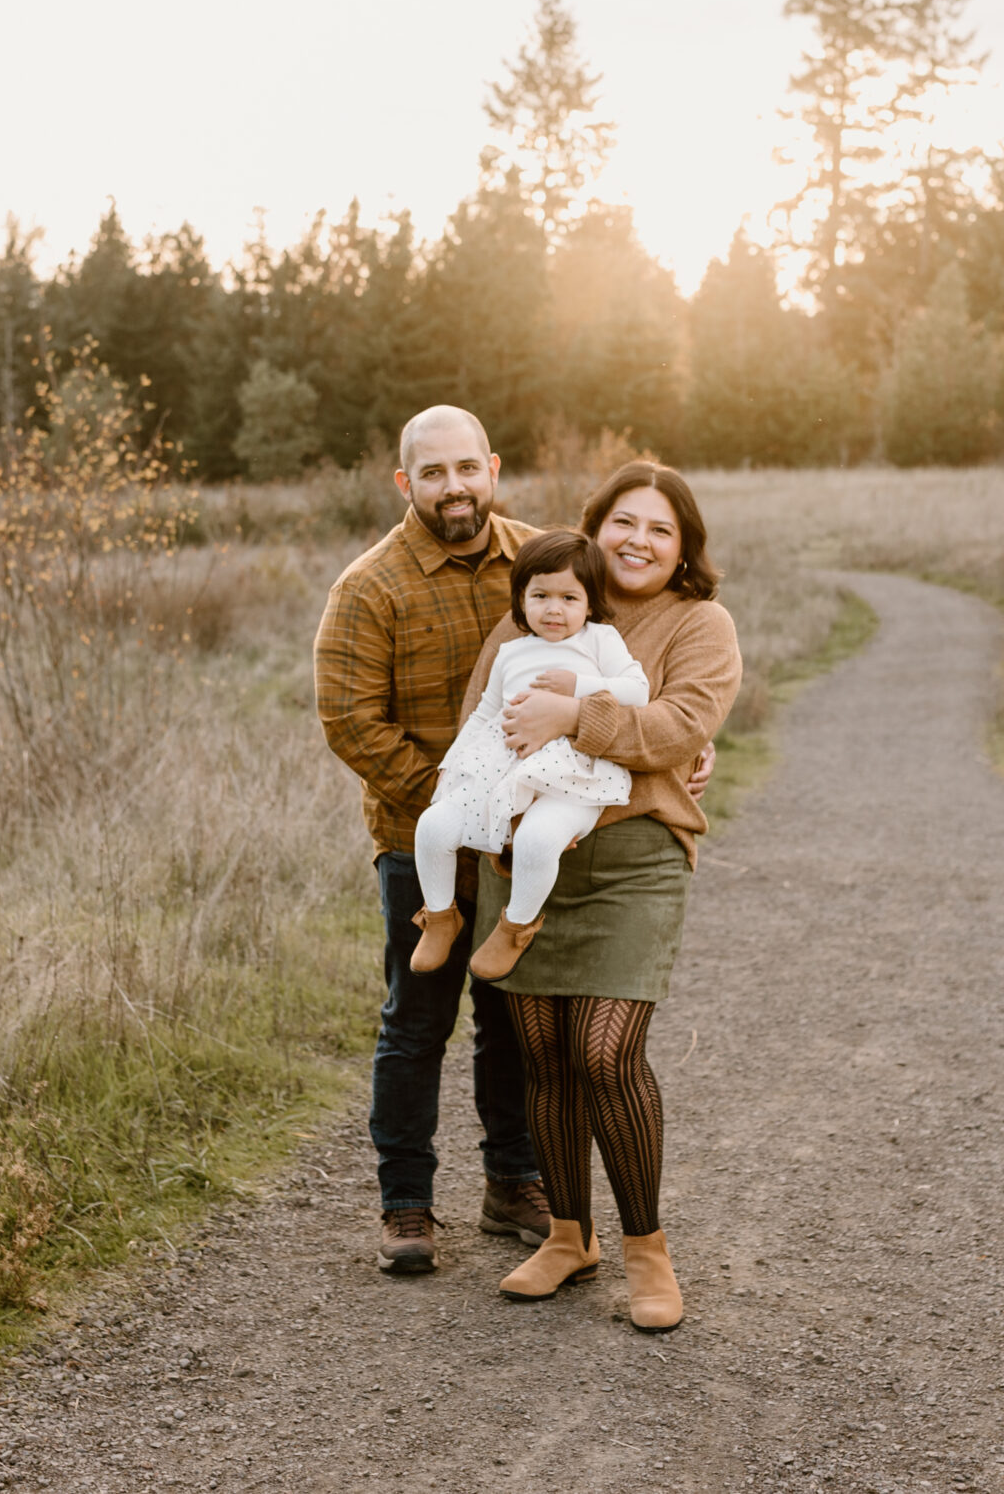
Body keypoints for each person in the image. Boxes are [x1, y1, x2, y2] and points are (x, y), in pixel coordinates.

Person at [460, 461, 741, 1333]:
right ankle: (569, 1236)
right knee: (543, 1055)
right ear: (597, 525)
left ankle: (646, 1250)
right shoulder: (540, 608)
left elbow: (677, 728)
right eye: (625, 521)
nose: (639, 541)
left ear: (684, 544)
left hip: (633, 859)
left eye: (661, 528)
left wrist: (573, 720)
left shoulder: (701, 623)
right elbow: (483, 719)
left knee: (607, 1054)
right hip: (531, 856)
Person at [314, 406, 550, 1275]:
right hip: (420, 845)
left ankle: (511, 1183)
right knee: (416, 1021)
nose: (455, 486)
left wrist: (687, 736)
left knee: (510, 1020)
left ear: (493, 467)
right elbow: (349, 722)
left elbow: (613, 650)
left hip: (518, 841)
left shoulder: (539, 561)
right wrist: (457, 801)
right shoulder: (369, 587)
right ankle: (406, 1205)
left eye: (467, 467)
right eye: (434, 472)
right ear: (406, 483)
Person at [408, 530, 649, 980]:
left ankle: (515, 927)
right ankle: (440, 916)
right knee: (433, 824)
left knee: (538, 840)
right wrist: (452, 774)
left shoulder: (600, 640)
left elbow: (638, 691)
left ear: (590, 603)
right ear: (521, 599)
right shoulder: (511, 650)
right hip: (501, 766)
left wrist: (576, 687)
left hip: (574, 773)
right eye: (540, 595)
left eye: (568, 598)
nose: (553, 609)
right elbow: (484, 713)